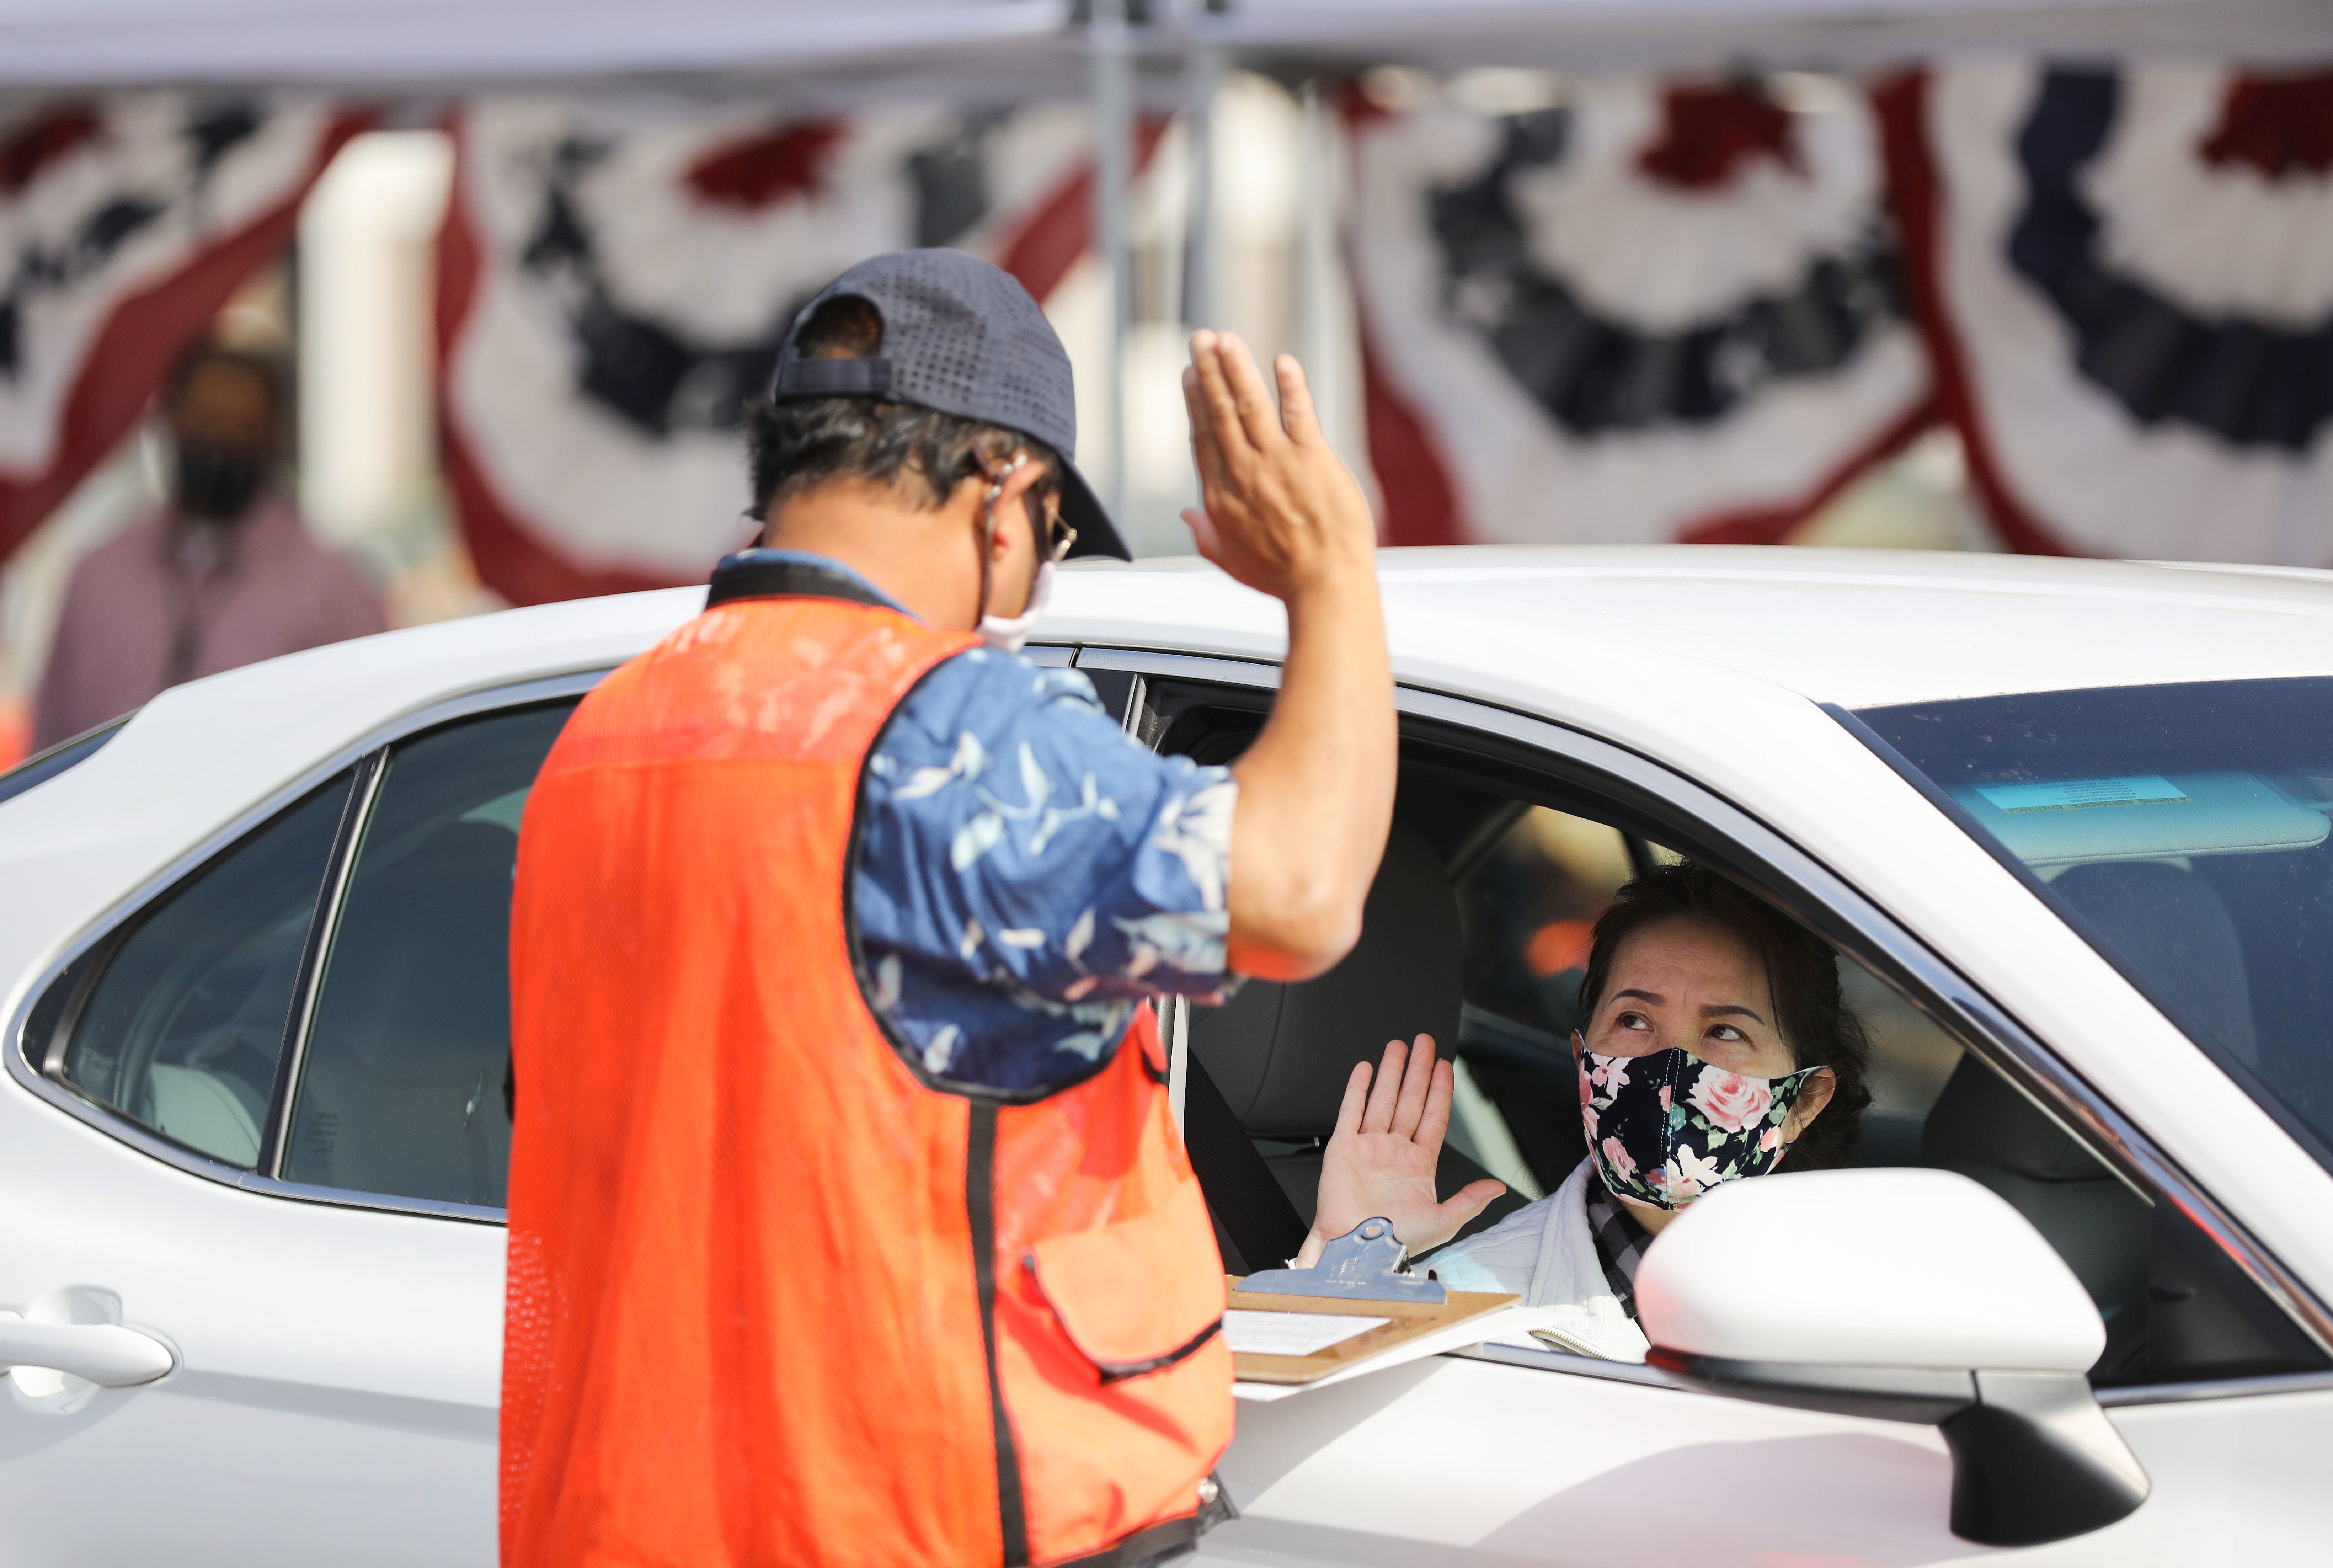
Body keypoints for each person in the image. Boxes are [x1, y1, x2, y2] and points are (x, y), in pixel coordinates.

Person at [500, 251, 1394, 1568]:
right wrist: (1333, 577)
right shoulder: (942, 727)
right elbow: (1299, 894)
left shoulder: (601, 739)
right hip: (915, 1519)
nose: (1032, 585)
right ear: (1003, 491)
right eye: (1052, 540)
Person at [1297, 861, 1871, 1361]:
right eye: (1635, 1021)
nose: (1671, 1069)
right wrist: (1345, 1264)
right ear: (1584, 1061)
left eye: (1724, 1031)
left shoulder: (1882, 1292)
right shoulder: (1463, 1307)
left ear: (1803, 1101)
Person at [31, 342, 385, 749]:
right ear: (169, 422)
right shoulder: (98, 576)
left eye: (241, 427)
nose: (220, 443)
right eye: (206, 422)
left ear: (273, 435)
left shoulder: (333, 588)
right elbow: (51, 745)